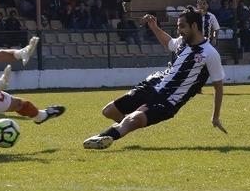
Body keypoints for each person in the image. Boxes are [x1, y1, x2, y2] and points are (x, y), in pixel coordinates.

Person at [82, 8, 226, 149]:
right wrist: (154, 27)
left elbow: (218, 87)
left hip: (169, 99)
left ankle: (104, 137)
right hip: (153, 84)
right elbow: (169, 43)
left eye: (182, 26)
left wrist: (215, 116)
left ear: (194, 26)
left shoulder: (210, 53)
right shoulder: (183, 41)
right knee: (109, 111)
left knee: (135, 118)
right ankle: (127, 124)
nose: (179, 31)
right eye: (177, 27)